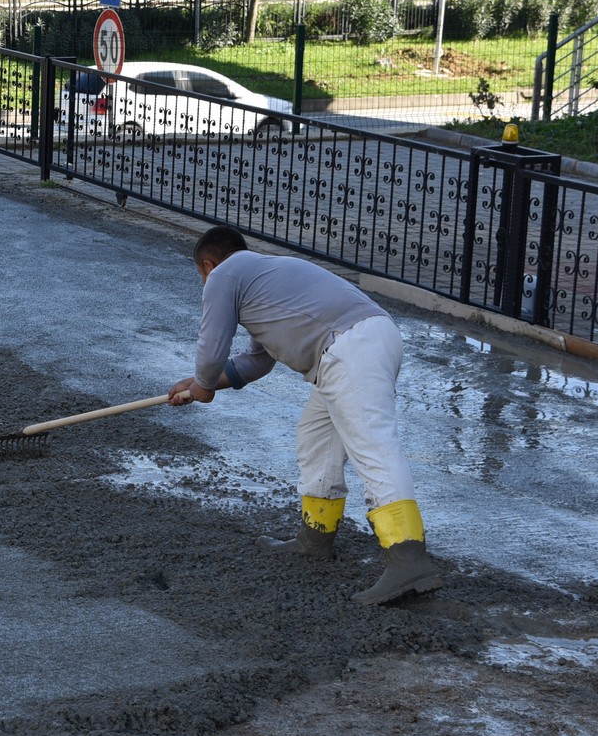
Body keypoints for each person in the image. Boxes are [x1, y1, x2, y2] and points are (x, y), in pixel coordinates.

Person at [166, 225, 445, 606]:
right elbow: (257, 361)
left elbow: (211, 347)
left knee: (373, 447)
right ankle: (315, 538)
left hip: (350, 348)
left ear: (208, 264)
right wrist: (202, 383)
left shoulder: (223, 276)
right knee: (316, 438)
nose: (204, 282)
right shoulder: (261, 278)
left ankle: (408, 558)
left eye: (201, 274)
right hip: (359, 344)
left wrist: (203, 382)